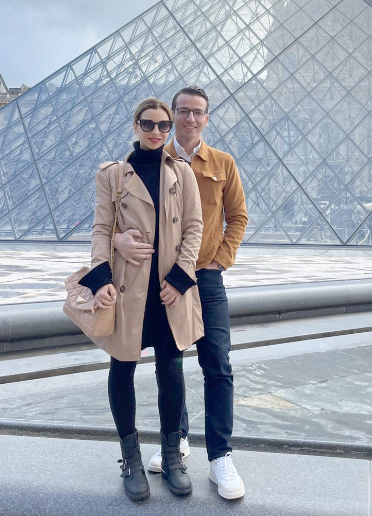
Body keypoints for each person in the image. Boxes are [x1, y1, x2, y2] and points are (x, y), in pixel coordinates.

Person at [114, 85, 248, 500]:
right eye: (183, 112)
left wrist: (217, 262)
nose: (190, 119)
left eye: (198, 113)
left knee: (217, 364)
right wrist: (118, 241)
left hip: (203, 278)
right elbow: (110, 219)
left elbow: (238, 218)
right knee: (170, 360)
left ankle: (221, 456)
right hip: (152, 280)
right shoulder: (148, 162)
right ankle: (179, 442)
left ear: (207, 118)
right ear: (171, 116)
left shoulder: (222, 163)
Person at [80, 97, 204, 502]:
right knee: (123, 370)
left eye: (163, 126)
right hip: (127, 289)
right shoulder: (113, 175)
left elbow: (194, 228)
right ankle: (131, 461)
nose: (156, 132)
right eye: (148, 124)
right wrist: (100, 278)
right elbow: (101, 229)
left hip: (168, 289)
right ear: (135, 125)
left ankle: (172, 458)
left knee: (171, 372)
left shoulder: (181, 172)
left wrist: (181, 279)